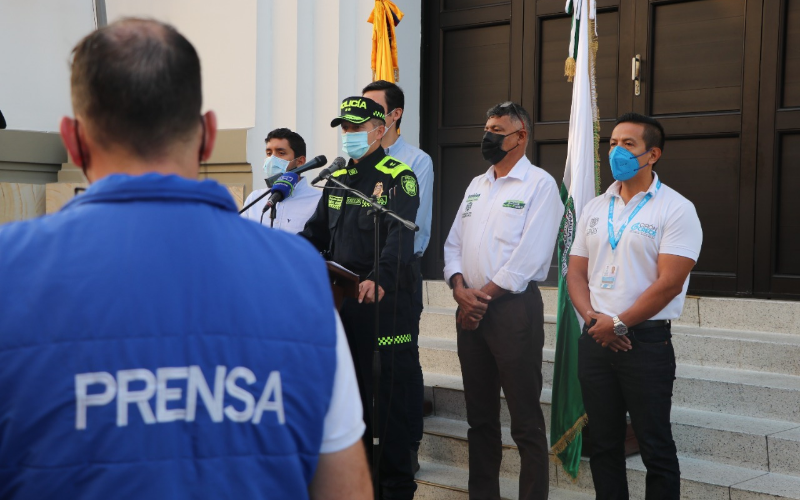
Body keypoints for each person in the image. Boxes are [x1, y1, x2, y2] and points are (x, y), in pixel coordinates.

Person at [0, 19, 371, 500]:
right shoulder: (302, 279)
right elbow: (345, 488)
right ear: (207, 134)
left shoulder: (11, 271)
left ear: (72, 139)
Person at [567, 113, 702, 500]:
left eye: (628, 144)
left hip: (644, 344)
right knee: (604, 446)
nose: (617, 151)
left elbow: (669, 283)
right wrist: (597, 321)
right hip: (595, 338)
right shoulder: (595, 207)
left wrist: (621, 324)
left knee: (655, 447)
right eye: (612, 143)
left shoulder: (676, 209)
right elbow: (575, 273)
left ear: (653, 154)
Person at [300, 95, 420, 500]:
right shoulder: (337, 178)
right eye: (344, 129)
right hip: (342, 305)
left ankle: (396, 489)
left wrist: (381, 278)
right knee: (352, 408)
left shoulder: (398, 177)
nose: (348, 135)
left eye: (355, 128)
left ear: (380, 128)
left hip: (383, 306)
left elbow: (401, 237)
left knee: (388, 411)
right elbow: (316, 234)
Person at [443, 101, 562, 500]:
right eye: (486, 127)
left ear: (520, 136)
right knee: (480, 419)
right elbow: (453, 244)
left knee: (525, 421)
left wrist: (482, 297)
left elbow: (530, 257)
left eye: (497, 129)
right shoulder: (478, 184)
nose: (488, 136)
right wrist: (460, 289)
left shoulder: (541, 185)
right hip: (469, 311)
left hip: (513, 312)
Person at [362, 79, 433, 472]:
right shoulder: (355, 164)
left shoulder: (415, 162)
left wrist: (385, 269)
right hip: (358, 279)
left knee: (399, 361)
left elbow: (411, 225)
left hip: (399, 274)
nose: (366, 118)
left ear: (394, 115)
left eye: (374, 109)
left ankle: (407, 445)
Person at [241, 127, 322, 232]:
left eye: (281, 153)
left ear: (300, 161)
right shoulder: (254, 198)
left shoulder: (318, 200)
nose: (272, 159)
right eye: (269, 153)